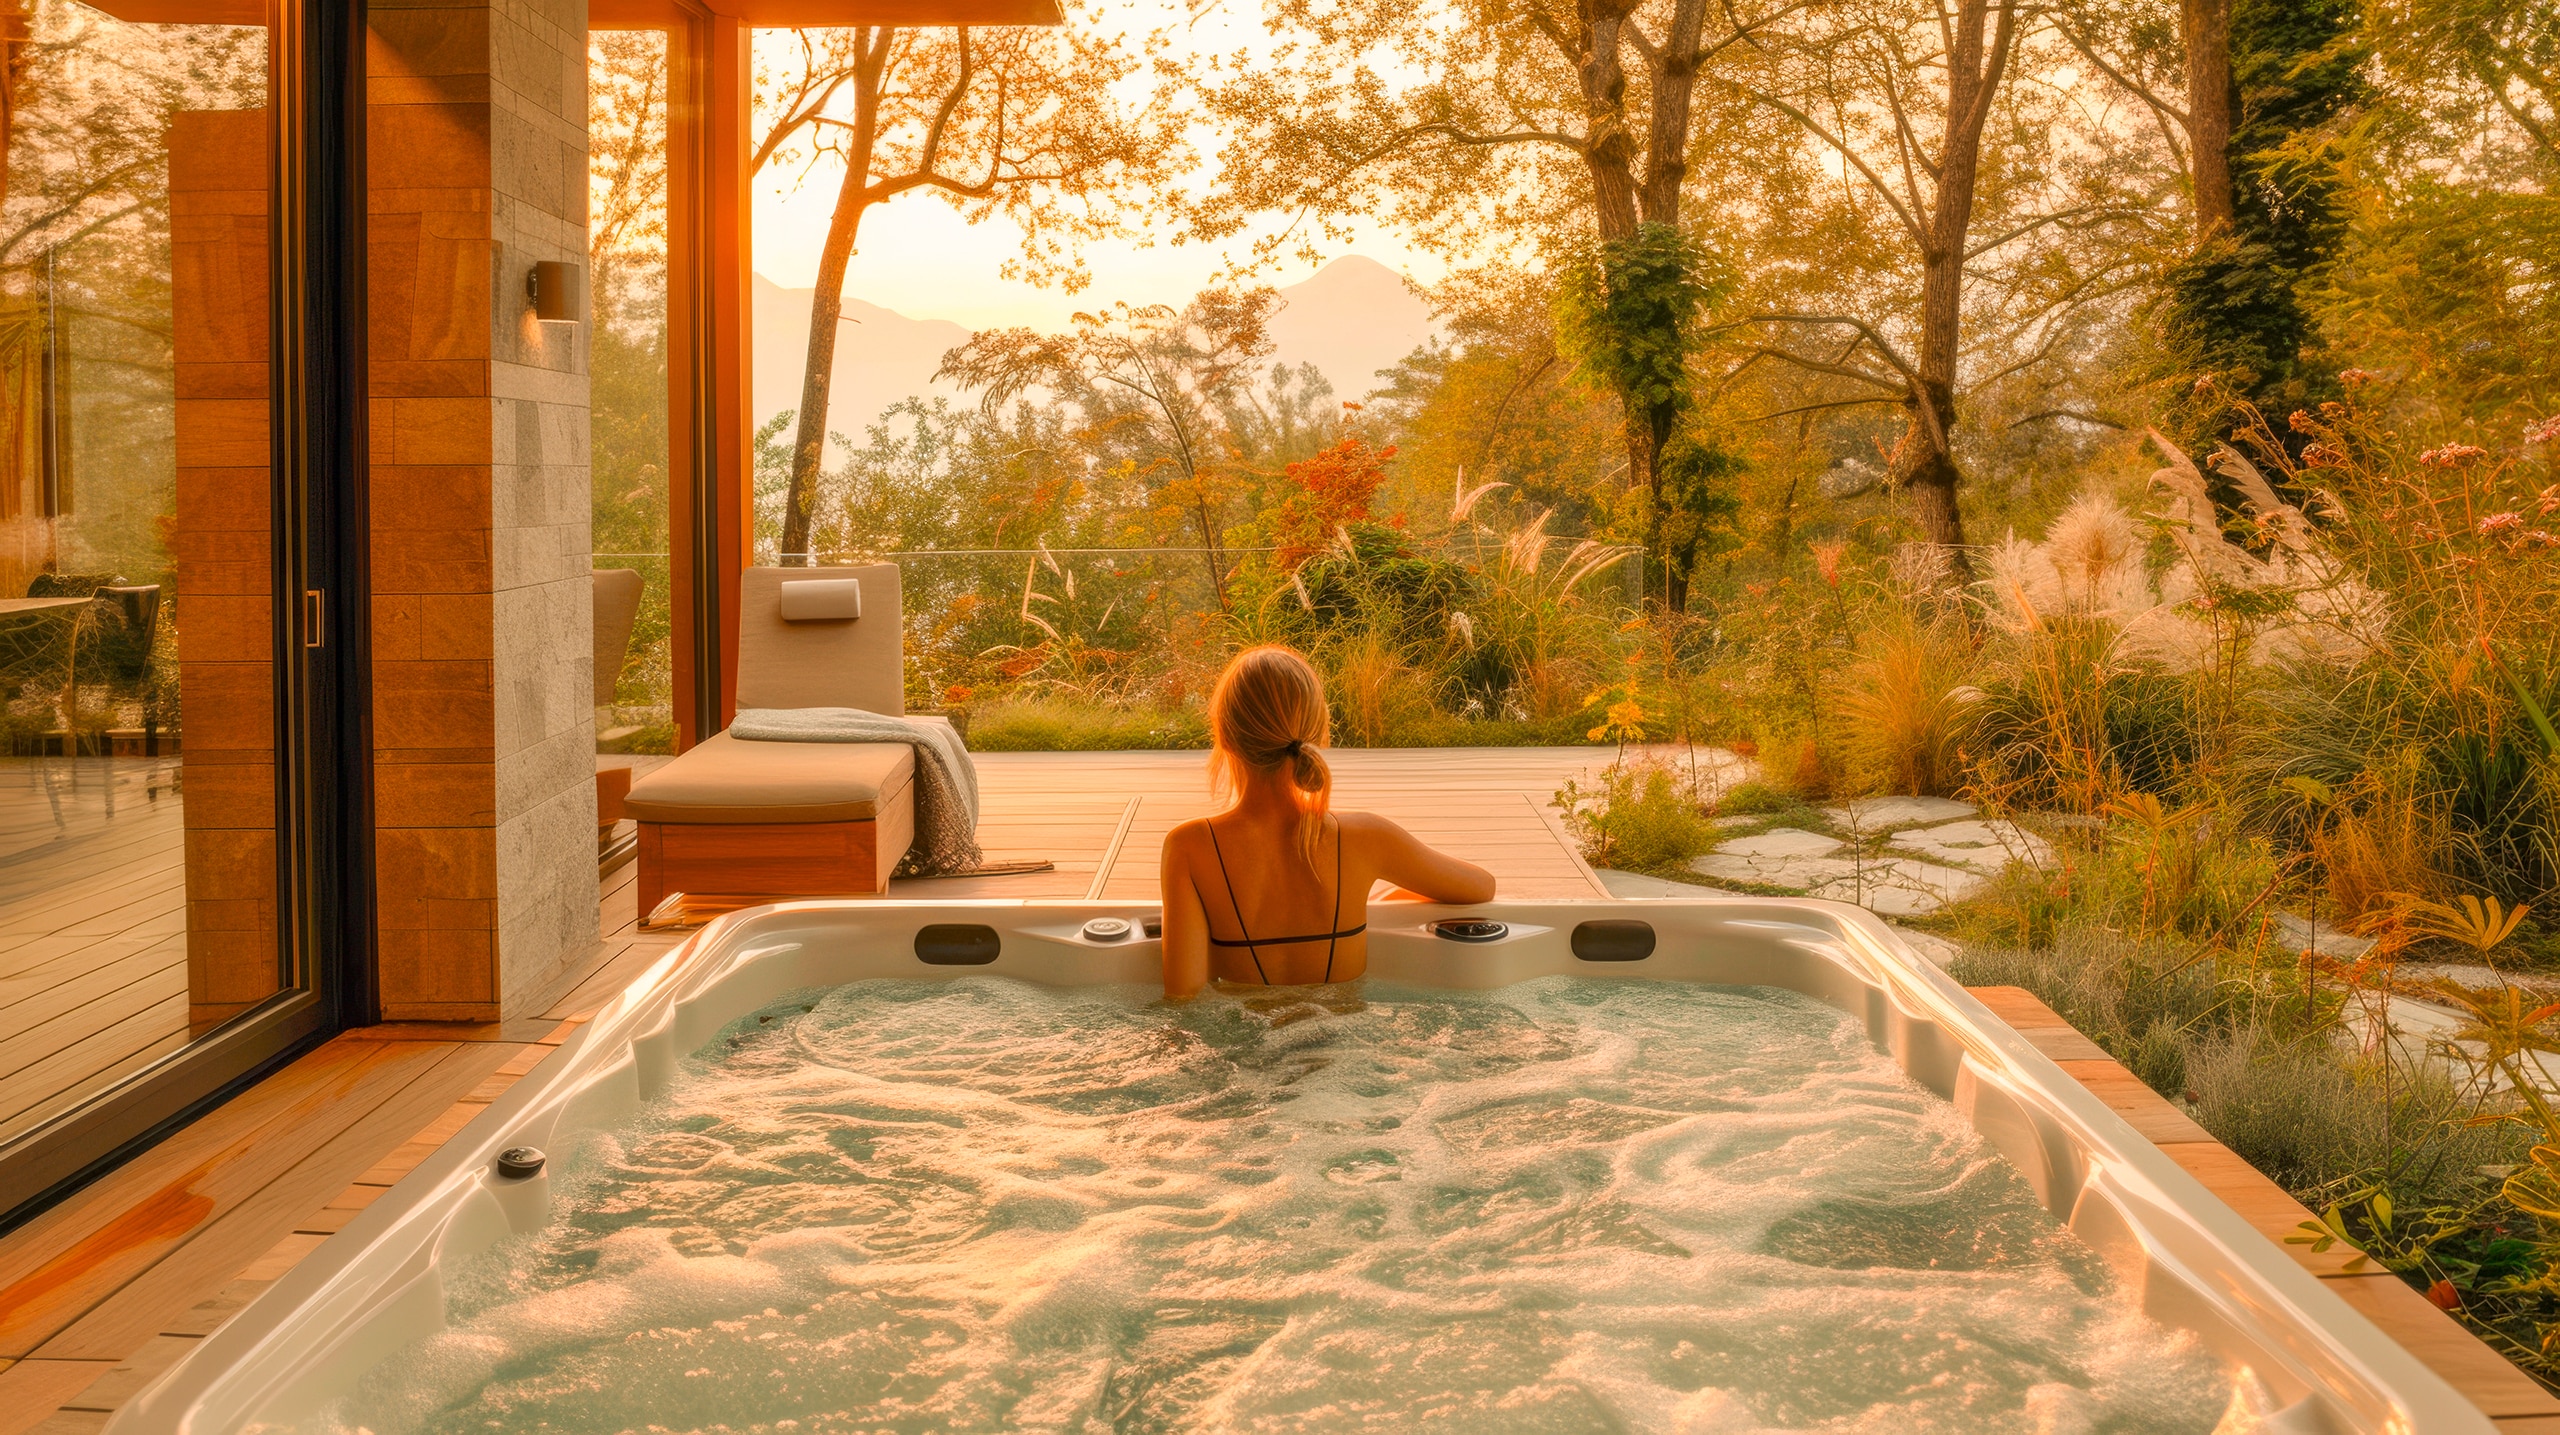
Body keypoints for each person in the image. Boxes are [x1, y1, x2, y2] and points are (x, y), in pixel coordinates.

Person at [1159, 645, 1495, 998]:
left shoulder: (1190, 847)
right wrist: (1395, 893)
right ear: (1316, 730)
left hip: (1246, 1047)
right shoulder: (1366, 837)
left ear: (1224, 736)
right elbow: (1480, 886)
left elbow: (1184, 997)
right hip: (1344, 1048)